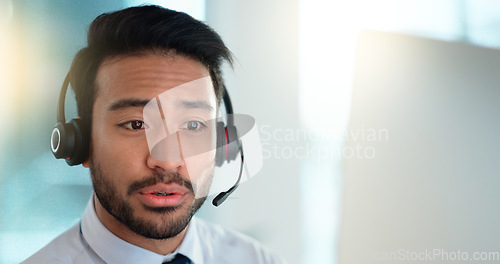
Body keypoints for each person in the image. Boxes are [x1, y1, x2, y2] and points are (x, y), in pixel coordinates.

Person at [23, 5, 285, 264]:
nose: (168, 160)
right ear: (80, 143)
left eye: (193, 125)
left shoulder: (257, 259)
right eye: (137, 124)